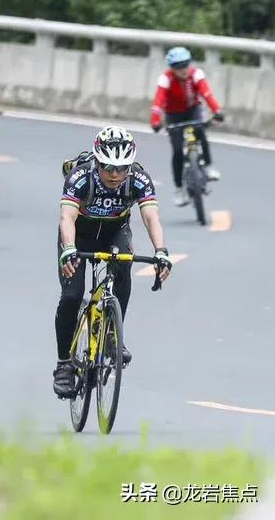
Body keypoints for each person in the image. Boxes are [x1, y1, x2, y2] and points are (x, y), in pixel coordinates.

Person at [53, 125, 172, 399]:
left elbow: (151, 216)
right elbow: (66, 217)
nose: (115, 174)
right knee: (71, 296)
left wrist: (161, 250)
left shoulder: (138, 178)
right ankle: (63, 365)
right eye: (108, 167)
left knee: (123, 267)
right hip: (78, 235)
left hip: (114, 233)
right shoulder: (80, 176)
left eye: (122, 168)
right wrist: (68, 248)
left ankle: (112, 337)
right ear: (97, 161)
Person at [150, 45, 225, 207]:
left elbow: (207, 94)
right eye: (178, 67)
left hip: (193, 110)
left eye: (185, 65)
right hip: (173, 115)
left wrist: (217, 111)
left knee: (201, 134)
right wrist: (155, 121)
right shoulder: (166, 79)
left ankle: (209, 166)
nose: (183, 70)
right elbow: (158, 102)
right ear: (172, 68)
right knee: (177, 151)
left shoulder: (196, 74)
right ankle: (179, 189)